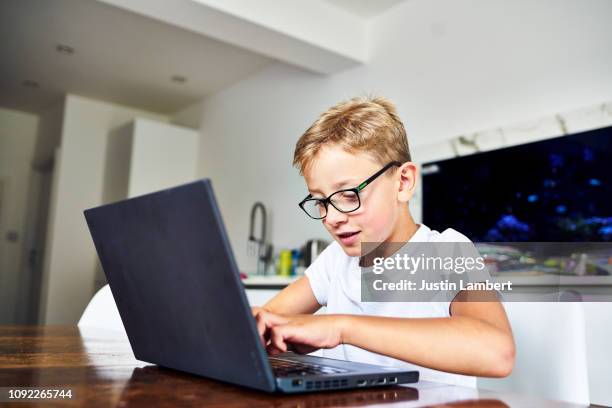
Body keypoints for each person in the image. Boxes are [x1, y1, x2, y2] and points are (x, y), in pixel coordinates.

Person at [252, 96, 515, 386]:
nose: (331, 218)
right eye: (320, 202)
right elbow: (267, 320)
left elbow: (497, 352)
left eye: (350, 195)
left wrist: (340, 328)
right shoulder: (335, 260)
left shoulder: (446, 251)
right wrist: (257, 323)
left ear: (403, 183)